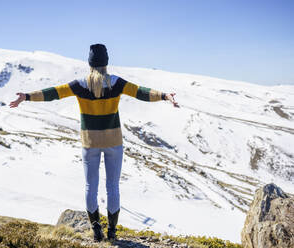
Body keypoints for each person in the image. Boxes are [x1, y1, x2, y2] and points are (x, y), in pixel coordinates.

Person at [10, 44, 179, 242]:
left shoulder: (80, 84)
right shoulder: (115, 83)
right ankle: (112, 232)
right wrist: (165, 96)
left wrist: (27, 97)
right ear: (106, 62)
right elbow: (140, 92)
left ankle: (97, 231)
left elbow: (53, 93)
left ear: (89, 63)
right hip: (113, 142)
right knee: (113, 186)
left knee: (91, 186)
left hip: (89, 142)